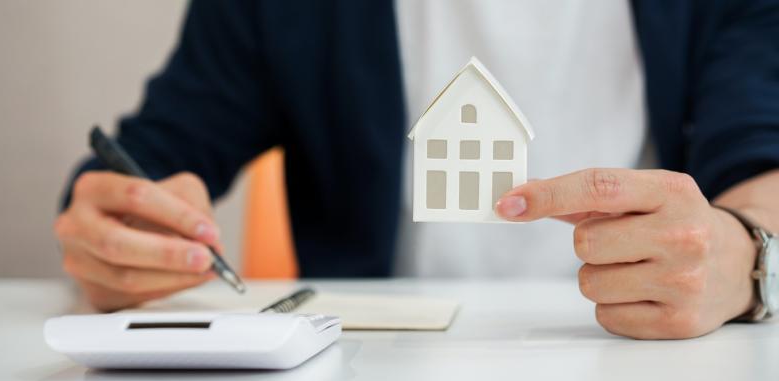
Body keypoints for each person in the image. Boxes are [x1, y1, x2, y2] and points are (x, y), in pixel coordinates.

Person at [54, 1, 779, 339]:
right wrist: (118, 233)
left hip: (635, 354)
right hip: (374, 363)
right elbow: (152, 162)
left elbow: (762, 157)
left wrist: (747, 249)